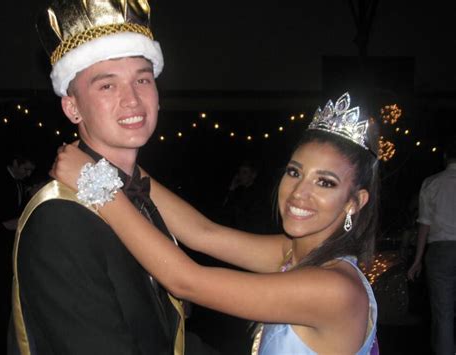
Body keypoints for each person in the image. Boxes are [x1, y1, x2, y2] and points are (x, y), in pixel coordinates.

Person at [52, 92, 381, 354]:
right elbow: (203, 233)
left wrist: (92, 180)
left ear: (356, 201)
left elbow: (187, 281)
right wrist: (116, 164)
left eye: (325, 182)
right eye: (294, 172)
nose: (299, 193)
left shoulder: (334, 289)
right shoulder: (295, 253)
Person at [8, 1, 185, 354]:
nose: (132, 99)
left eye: (142, 79)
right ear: (72, 107)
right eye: (107, 86)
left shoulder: (135, 190)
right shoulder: (61, 218)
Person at [407, 139, 456, 355]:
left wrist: (417, 260)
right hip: (441, 251)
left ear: (446, 158)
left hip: (440, 251)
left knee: (443, 314)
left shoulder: (432, 183)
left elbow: (424, 224)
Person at [0, 152, 35, 353]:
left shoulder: (19, 184)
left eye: (31, 170)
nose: (28, 173)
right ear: (15, 162)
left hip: (8, 248)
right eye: (25, 169)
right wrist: (30, 216)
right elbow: (2, 222)